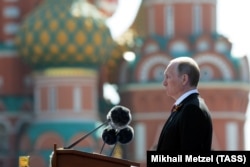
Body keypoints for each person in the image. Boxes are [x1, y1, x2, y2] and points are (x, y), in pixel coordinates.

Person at [156, 57, 213, 151]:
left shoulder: (192, 109)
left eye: (168, 77)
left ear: (184, 79)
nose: (164, 83)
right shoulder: (184, 107)